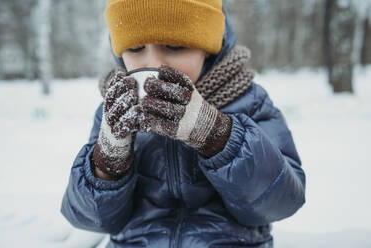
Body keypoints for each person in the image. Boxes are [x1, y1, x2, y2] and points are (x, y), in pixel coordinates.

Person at [61, 1, 306, 247]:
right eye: (136, 48)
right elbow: (90, 219)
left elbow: (282, 202)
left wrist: (214, 133)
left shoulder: (248, 101)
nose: (154, 63)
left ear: (209, 48)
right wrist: (108, 161)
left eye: (175, 46)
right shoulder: (113, 111)